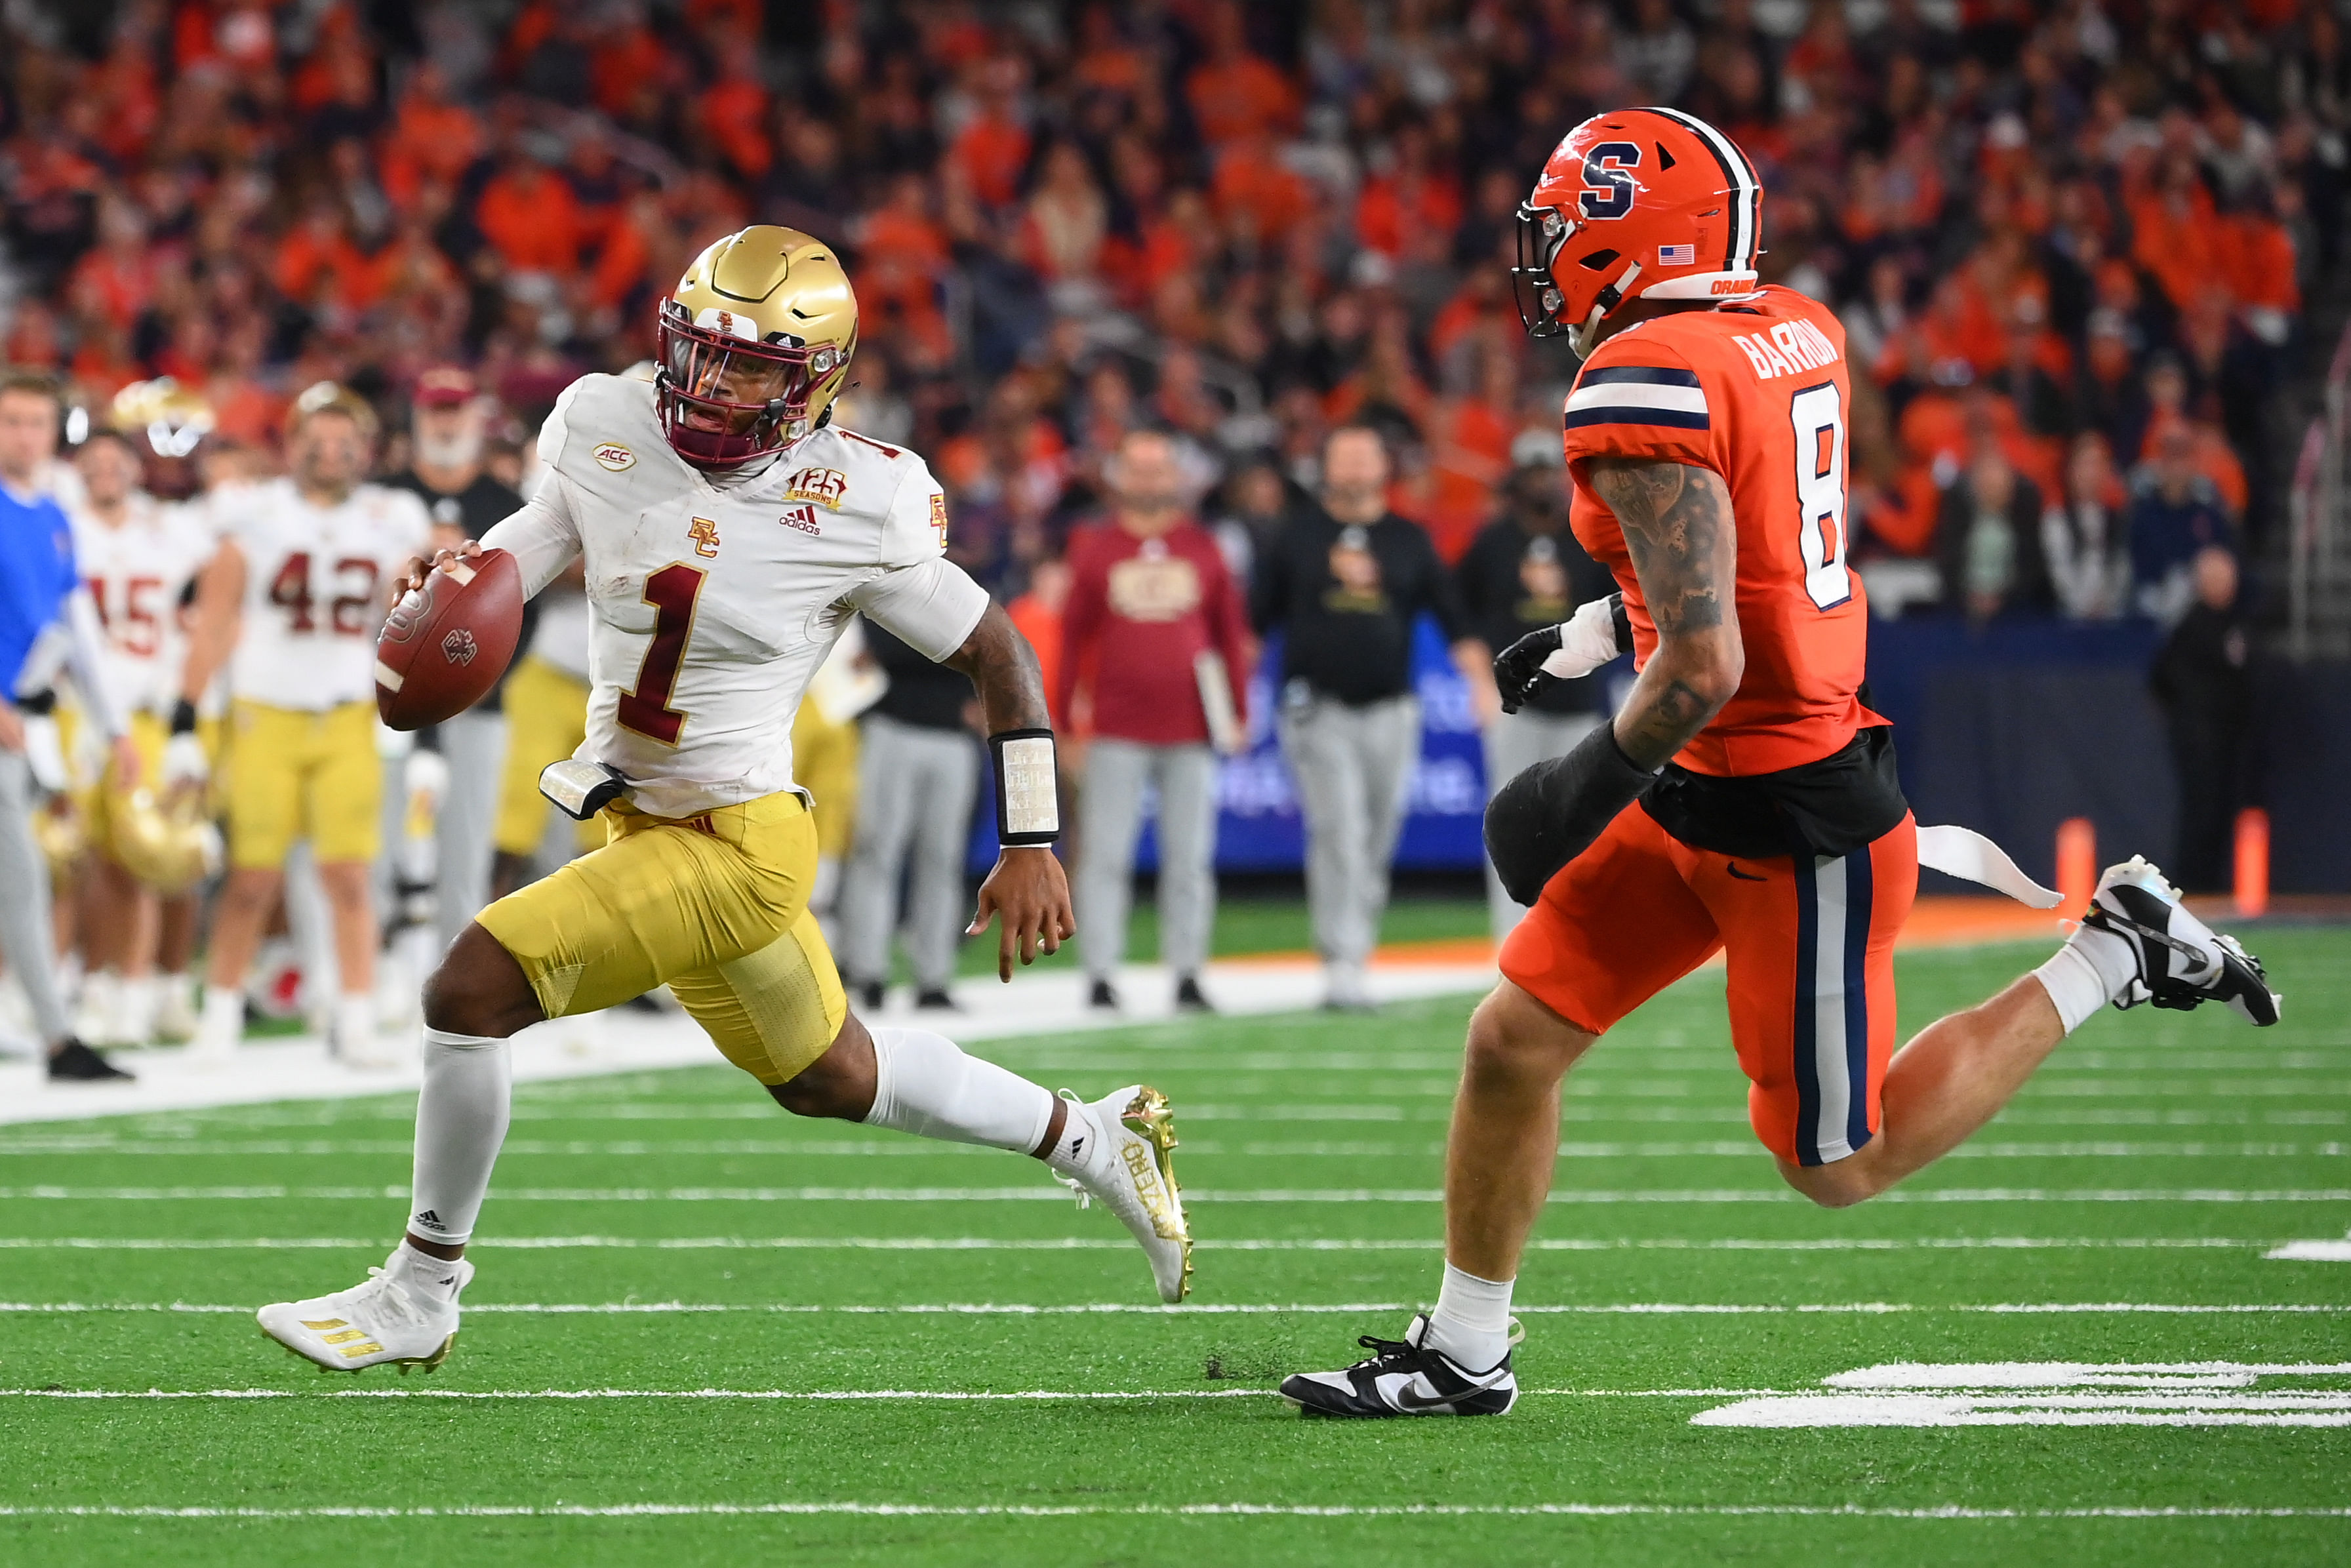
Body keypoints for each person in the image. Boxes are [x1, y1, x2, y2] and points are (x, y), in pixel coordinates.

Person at [1282, 108, 2281, 1420]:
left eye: (1568, 224)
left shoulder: (1640, 379)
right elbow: (1734, 549)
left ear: (1641, 232)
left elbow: (1704, 663)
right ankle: (1466, 1350)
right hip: (1712, 772)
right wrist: (1592, 633)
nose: (1546, 254)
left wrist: (1571, 787)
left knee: (1834, 1160)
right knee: (1512, 1038)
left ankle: (2114, 955)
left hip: (1782, 805)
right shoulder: (1786, 325)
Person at [255, 228, 1190, 1377]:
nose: (711, 384)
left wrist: (1032, 837)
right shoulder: (604, 422)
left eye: (749, 367)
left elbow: (1002, 658)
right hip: (644, 818)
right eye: (699, 353)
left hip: (738, 845)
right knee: (829, 1075)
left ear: (816, 384)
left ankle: (422, 1288)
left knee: (471, 984)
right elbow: (535, 539)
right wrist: (465, 575)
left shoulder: (862, 498)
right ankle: (1092, 1135)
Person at [191, 384, 434, 1068]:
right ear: (291, 445)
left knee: (351, 877)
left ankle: (355, 1020)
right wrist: (189, 715)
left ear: (365, 451)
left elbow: (413, 620)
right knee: (250, 879)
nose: (330, 454)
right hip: (265, 710)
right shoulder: (253, 513)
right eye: (317, 441)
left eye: (343, 443)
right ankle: (220, 1017)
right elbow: (214, 617)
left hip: (348, 710)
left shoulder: (392, 517)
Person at [1253, 424, 1494, 1010]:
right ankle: (1342, 960)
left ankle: (1354, 949)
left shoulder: (1408, 538)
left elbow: (1453, 617)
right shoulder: (1296, 535)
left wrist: (1481, 684)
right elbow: (1256, 620)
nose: (1356, 468)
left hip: (1391, 706)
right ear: (1325, 468)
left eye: (1366, 456)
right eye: (1345, 457)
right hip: (1316, 707)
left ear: (1384, 467)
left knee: (1377, 834)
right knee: (1339, 830)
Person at [1059, 428, 1253, 1013]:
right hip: (1116, 725)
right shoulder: (1095, 547)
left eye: (1157, 469)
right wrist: (1066, 717)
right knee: (1104, 857)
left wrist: (1238, 713)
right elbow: (1071, 638)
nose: (1148, 480)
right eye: (1137, 469)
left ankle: (1188, 970)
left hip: (1191, 727)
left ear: (1176, 478)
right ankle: (1099, 972)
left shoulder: (1202, 547)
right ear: (1120, 477)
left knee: (1189, 858)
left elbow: (1228, 635)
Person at [61, 412, 228, 1047]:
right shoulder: (62, 525)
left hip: (150, 713)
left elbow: (224, 594)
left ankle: (140, 988)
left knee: (149, 851)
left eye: (116, 462)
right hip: (80, 707)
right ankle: (87, 984)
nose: (106, 473)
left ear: (136, 468)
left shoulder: (175, 531)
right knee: (80, 857)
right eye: (93, 464)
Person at [0, 367, 141, 1080]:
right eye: (11, 421)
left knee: (22, 880)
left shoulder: (52, 516)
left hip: (25, 724)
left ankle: (56, 1035)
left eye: (34, 422)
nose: (23, 436)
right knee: (20, 881)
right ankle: (58, 1039)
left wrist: (116, 729)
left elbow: (74, 630)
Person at [383, 366, 523, 950]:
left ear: (475, 417)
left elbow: (525, 598)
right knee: (386, 839)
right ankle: (380, 974)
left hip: (480, 699)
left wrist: (485, 677)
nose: (445, 421)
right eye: (436, 409)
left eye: (455, 409)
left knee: (467, 843)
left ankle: (455, 974)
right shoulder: (386, 498)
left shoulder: (503, 501)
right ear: (418, 416)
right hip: (391, 698)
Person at [1456, 460, 1616, 938]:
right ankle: (1513, 939)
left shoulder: (1587, 538)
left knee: (1583, 824)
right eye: (1532, 474)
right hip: (1515, 703)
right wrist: (1478, 680)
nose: (1541, 484)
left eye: (1547, 472)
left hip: (1580, 701)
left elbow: (1620, 611)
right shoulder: (1492, 541)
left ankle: (1575, 932)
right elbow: (1458, 611)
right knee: (1508, 821)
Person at [836, 617, 984, 1013]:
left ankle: (934, 977)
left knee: (942, 860)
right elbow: (893, 649)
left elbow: (980, 650)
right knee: (877, 853)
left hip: (952, 736)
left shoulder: (963, 587)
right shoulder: (894, 585)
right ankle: (867, 970)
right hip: (894, 726)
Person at [2149, 546, 2252, 892]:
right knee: (2201, 813)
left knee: (2219, 813)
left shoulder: (2232, 622)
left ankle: (2211, 884)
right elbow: (2162, 677)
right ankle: (2194, 886)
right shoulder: (2193, 625)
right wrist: (2189, 719)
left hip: (2224, 738)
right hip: (2200, 739)